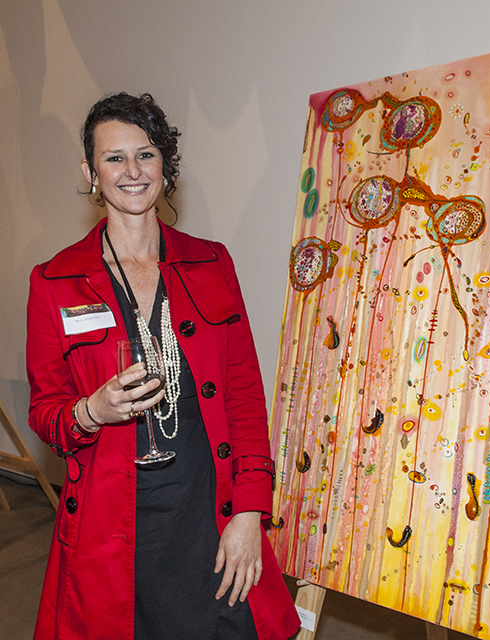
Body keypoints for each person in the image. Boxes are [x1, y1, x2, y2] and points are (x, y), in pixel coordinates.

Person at [26, 92, 300, 640]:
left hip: (207, 510)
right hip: (115, 525)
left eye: (146, 154)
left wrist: (249, 512)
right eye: (114, 157)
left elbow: (244, 394)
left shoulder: (212, 262)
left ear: (165, 166)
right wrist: (91, 410)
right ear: (91, 170)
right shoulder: (54, 281)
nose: (132, 171)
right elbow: (45, 413)